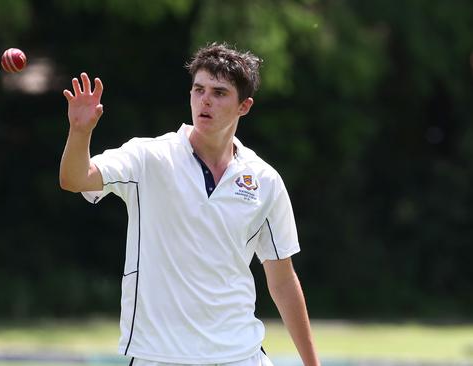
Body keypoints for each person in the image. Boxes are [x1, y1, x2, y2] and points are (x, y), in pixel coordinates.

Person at [59, 42, 320, 366]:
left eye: (220, 92)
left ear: (244, 106)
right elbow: (75, 178)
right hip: (159, 356)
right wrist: (79, 132)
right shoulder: (149, 157)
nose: (205, 100)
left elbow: (282, 280)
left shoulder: (264, 180)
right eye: (199, 89)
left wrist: (312, 364)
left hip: (240, 356)